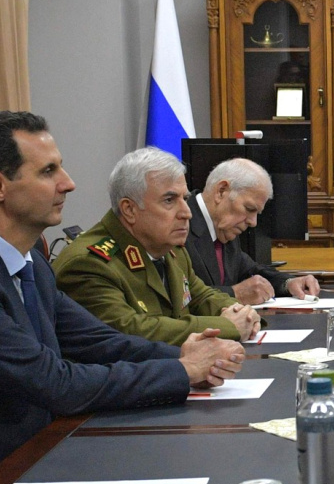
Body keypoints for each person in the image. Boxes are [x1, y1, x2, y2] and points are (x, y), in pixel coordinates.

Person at [0, 112, 244, 462]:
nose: (68, 183)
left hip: (45, 453)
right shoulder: (63, 263)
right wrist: (182, 370)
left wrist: (185, 355)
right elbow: (55, 383)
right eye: (48, 171)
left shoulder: (33, 266)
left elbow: (101, 341)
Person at [55, 147, 260, 345]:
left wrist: (241, 313)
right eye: (169, 200)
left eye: (185, 199)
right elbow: (130, 331)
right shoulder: (89, 264)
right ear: (129, 209)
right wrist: (228, 326)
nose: (186, 213)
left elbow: (201, 296)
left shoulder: (170, 250)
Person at [186, 157, 319, 305]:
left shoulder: (224, 226)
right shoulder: (179, 225)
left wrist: (288, 283)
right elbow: (179, 296)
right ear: (221, 191)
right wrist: (235, 294)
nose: (253, 222)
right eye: (249, 209)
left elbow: (252, 271)